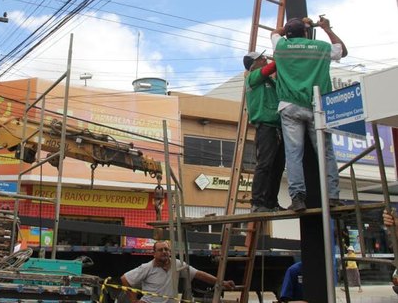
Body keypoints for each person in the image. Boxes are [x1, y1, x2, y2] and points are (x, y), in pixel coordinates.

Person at [271, 16, 348, 211]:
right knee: (326, 153)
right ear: (306, 32)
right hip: (317, 106)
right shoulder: (320, 47)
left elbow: (274, 32)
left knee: (294, 154)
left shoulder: (281, 47)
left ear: (288, 33)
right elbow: (342, 51)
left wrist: (294, 24)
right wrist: (325, 28)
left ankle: (297, 198)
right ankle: (332, 195)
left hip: (290, 107)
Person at [120, 240, 234, 303]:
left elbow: (199, 274)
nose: (164, 252)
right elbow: (125, 279)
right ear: (154, 253)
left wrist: (222, 282)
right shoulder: (147, 268)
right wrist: (134, 300)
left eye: (166, 249)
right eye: (160, 250)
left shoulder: (177, 264)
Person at [243, 51, 285, 212]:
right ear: (254, 64)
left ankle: (271, 202)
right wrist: (283, 55)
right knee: (265, 164)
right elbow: (272, 67)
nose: (265, 59)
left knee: (278, 166)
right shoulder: (252, 76)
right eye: (261, 58)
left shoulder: (269, 81)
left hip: (278, 127)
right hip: (266, 126)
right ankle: (257, 202)